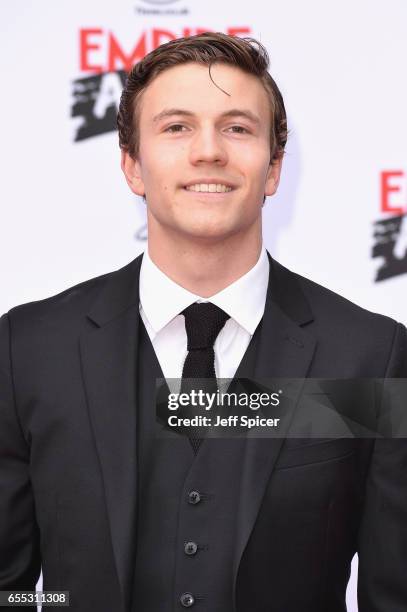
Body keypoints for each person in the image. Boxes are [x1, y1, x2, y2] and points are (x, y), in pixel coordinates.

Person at [0, 32, 406, 612]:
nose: (208, 151)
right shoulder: (29, 350)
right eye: (176, 127)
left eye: (238, 128)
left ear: (273, 169)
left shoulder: (371, 355)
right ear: (132, 165)